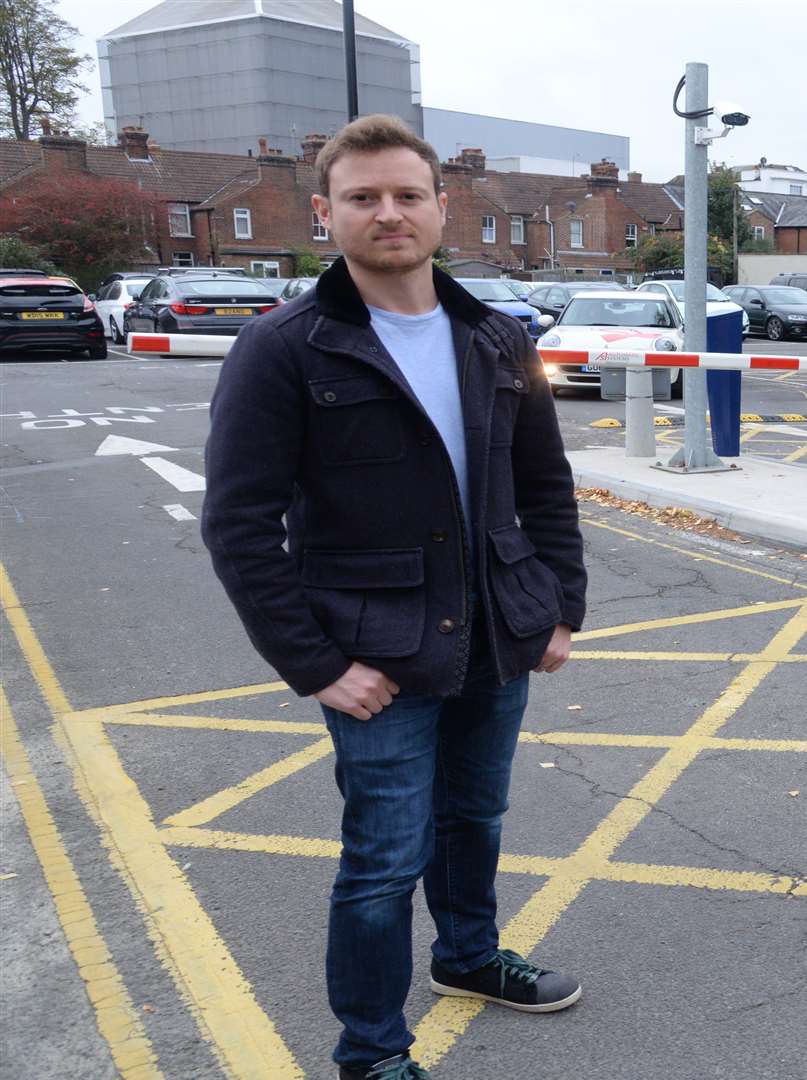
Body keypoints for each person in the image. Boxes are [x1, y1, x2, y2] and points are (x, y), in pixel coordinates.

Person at [201, 114, 588, 1080]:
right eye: (364, 197)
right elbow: (239, 526)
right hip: (375, 654)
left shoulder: (497, 338)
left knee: (476, 821)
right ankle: (371, 1052)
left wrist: (559, 606)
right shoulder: (284, 349)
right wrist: (316, 665)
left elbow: (545, 486)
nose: (389, 214)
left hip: (498, 634)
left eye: (407, 195)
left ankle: (467, 956)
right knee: (381, 861)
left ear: (441, 208)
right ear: (325, 212)